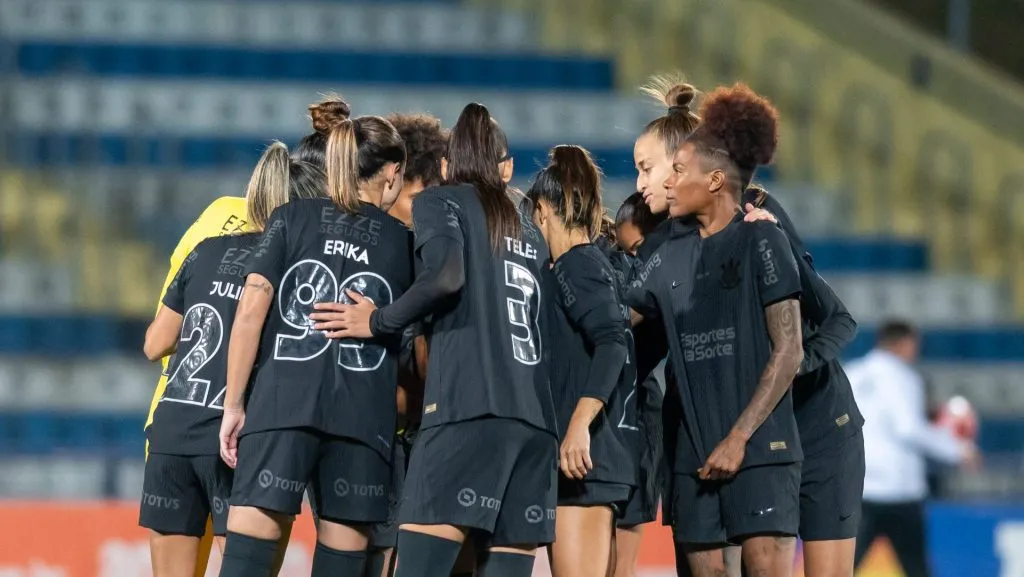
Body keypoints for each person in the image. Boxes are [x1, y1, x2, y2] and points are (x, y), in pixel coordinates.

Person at [309, 103, 557, 577]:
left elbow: (445, 277)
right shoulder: (530, 229)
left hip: (466, 414)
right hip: (533, 426)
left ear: (445, 167)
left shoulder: (439, 202)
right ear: (505, 168)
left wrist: (379, 320)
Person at [217, 101, 414, 577]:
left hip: (282, 408)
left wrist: (234, 405)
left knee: (244, 566)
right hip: (361, 423)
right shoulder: (406, 243)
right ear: (391, 172)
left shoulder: (289, 217)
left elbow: (249, 312)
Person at [627, 83, 804, 577]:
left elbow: (789, 350)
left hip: (761, 450)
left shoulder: (761, 236)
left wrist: (739, 437)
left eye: (678, 171)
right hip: (693, 457)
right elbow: (617, 321)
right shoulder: (665, 255)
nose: (667, 183)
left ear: (715, 181)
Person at [139, 142, 324, 577]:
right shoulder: (297, 264)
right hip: (237, 443)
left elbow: (153, 345)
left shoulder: (205, 247)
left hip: (172, 434)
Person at [743, 184, 865, 577]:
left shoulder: (759, 218)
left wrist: (793, 363)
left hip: (823, 429)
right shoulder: (685, 241)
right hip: (757, 437)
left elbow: (840, 319)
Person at [527, 145, 636, 577]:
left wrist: (578, 425)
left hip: (587, 465)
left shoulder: (576, 265)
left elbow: (612, 341)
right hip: (585, 464)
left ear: (542, 211)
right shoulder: (580, 265)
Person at [847, 320, 979, 577]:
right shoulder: (904, 377)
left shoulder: (850, 373)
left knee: (842, 568)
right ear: (904, 343)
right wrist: (958, 450)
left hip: (858, 488)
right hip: (899, 492)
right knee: (916, 569)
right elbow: (908, 428)